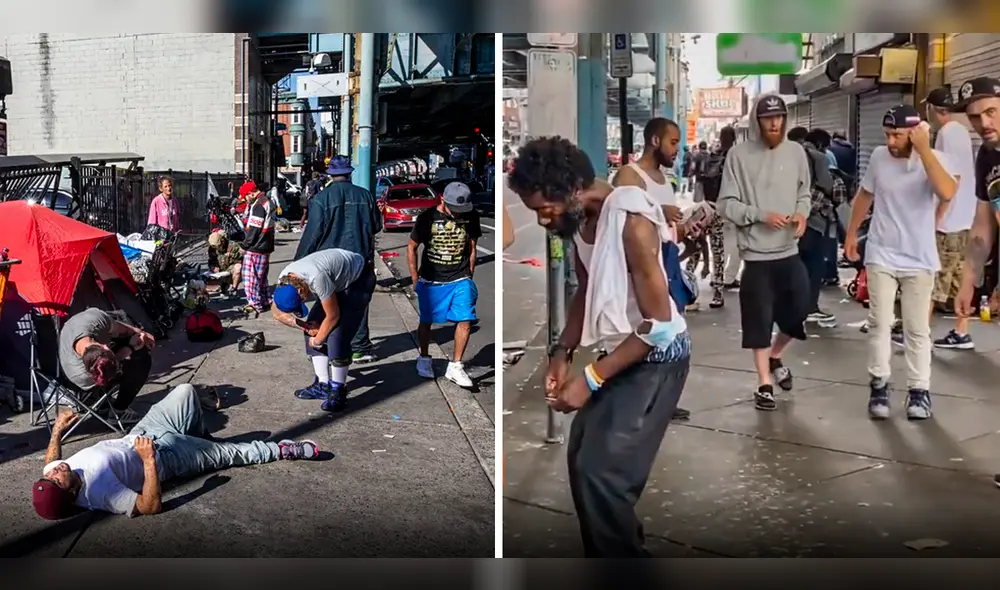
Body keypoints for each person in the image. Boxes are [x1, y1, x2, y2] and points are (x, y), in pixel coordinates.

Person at [509, 135, 691, 558]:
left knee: (601, 475)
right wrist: (561, 351)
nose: (541, 221)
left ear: (572, 191)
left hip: (658, 358)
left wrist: (589, 380)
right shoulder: (581, 224)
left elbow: (659, 325)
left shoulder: (630, 220)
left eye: (543, 209)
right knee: (584, 460)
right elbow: (586, 287)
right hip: (626, 354)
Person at [32, 385, 318, 520]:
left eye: (51, 475)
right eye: (56, 479)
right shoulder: (101, 494)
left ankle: (199, 437)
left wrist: (57, 431)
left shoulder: (58, 474)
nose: (56, 470)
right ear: (71, 495)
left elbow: (50, 462)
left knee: (184, 392)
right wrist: (149, 462)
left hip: (144, 431)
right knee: (230, 452)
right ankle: (282, 450)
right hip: (167, 455)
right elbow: (150, 507)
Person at [844, 105, 958, 421]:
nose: (892, 142)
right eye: (888, 135)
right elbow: (865, 195)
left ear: (914, 131)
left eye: (897, 135)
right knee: (880, 322)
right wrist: (851, 233)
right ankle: (879, 384)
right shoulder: (880, 157)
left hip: (919, 257)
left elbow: (947, 191)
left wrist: (923, 149)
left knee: (917, 328)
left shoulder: (934, 160)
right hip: (882, 251)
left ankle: (919, 391)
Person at [716, 94, 812, 412]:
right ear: (757, 122)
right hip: (756, 255)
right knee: (758, 322)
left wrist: (802, 213)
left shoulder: (797, 152)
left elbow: (804, 192)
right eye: (769, 118)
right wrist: (760, 215)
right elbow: (725, 204)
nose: (775, 124)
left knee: (799, 311)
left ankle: (774, 356)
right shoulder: (738, 156)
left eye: (780, 118)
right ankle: (763, 383)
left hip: (789, 250)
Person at [611, 117, 696, 420]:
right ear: (655, 141)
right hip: (641, 273)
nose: (678, 149)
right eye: (673, 142)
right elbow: (622, 218)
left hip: (667, 266)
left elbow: (666, 231)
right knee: (647, 335)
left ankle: (662, 402)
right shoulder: (629, 176)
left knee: (671, 338)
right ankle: (639, 401)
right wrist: (661, 212)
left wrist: (688, 228)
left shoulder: (664, 181)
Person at [950, 76, 1000, 488]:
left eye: (991, 112)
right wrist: (970, 279)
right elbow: (983, 224)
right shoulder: (986, 156)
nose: (984, 123)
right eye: (975, 118)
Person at [296, 156, 382, 364]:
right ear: (350, 173)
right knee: (357, 305)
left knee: (328, 308)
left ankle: (324, 345)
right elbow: (376, 225)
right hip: (359, 261)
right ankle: (360, 348)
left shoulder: (321, 199)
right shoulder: (365, 196)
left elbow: (312, 235)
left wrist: (298, 263)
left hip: (330, 264)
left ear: (330, 174)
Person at [271, 248, 376, 412]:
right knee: (313, 325)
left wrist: (319, 339)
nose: (305, 301)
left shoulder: (316, 277)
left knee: (337, 335)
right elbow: (277, 313)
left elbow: (333, 316)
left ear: (300, 290)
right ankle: (323, 384)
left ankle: (338, 390)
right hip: (336, 282)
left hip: (358, 279)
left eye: (303, 300)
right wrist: (305, 326)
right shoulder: (284, 280)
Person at [408, 182, 481, 389]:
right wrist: (415, 278)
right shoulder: (427, 218)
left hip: (460, 277)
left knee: (465, 319)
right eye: (454, 210)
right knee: (426, 321)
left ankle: (456, 366)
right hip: (431, 279)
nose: (458, 215)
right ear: (442, 200)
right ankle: (423, 357)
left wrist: (469, 276)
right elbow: (412, 247)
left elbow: (472, 247)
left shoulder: (471, 216)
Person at [923, 86, 978, 350]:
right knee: (957, 277)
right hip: (966, 217)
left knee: (935, 277)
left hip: (950, 221)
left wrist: (937, 215)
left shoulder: (945, 134)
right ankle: (961, 331)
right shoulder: (962, 131)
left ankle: (920, 332)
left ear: (932, 109)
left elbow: (951, 176)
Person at [59, 308, 156, 424]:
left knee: (122, 320)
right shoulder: (82, 374)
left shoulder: (96, 321)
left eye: (107, 348)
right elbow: (105, 370)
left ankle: (101, 403)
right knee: (141, 362)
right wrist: (130, 348)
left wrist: (140, 333)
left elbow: (122, 328)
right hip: (76, 381)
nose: (106, 346)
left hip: (81, 328)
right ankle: (119, 412)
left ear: (101, 346)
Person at [797, 128, 848, 328]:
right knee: (815, 265)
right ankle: (810, 308)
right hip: (813, 218)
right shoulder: (819, 157)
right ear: (821, 145)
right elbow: (827, 185)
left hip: (791, 218)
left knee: (798, 265)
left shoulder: (793, 154)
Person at [684, 126, 738, 309]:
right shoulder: (734, 157)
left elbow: (698, 177)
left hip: (705, 206)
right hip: (722, 210)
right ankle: (717, 294)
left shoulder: (710, 157)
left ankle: (686, 289)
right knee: (718, 253)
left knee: (696, 247)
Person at [239, 180, 276, 316]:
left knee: (251, 278)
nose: (246, 200)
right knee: (261, 278)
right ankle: (265, 300)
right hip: (265, 245)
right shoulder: (266, 201)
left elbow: (254, 229)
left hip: (256, 246)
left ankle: (254, 304)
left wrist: (245, 245)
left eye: (246, 197)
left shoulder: (258, 205)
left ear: (251, 193)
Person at [207, 230, 243, 298]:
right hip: (220, 270)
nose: (216, 248)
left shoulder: (232, 245)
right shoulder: (212, 249)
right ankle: (223, 287)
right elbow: (211, 260)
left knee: (238, 267)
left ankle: (234, 289)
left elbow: (241, 256)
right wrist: (213, 267)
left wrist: (231, 255)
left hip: (231, 268)